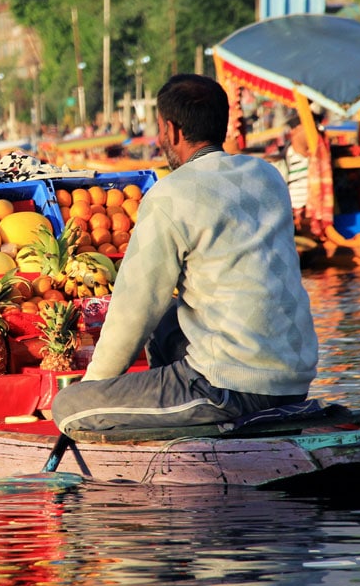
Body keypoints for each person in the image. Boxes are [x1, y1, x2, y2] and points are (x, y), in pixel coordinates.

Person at [52, 74, 318, 433]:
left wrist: (95, 387)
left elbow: (134, 307)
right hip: (293, 382)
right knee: (164, 322)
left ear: (171, 131)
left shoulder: (170, 195)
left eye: (161, 131)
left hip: (228, 388)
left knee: (68, 407)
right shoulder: (267, 176)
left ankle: (197, 424)